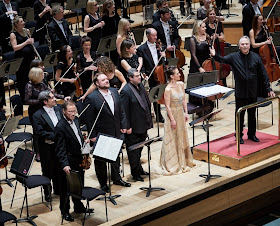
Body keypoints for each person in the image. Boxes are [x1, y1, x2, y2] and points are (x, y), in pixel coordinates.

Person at [210, 36, 275, 144]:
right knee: (240, 115)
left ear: (249, 45)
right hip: (241, 92)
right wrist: (214, 55)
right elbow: (222, 60)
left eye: (246, 44)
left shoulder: (256, 57)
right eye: (242, 44)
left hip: (253, 91)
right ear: (239, 46)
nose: (245, 46)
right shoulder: (234, 57)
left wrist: (269, 88)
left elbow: (264, 73)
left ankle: (251, 134)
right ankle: (239, 135)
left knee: (252, 114)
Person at [85, 73, 131, 192]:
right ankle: (103, 183)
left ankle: (117, 178)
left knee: (115, 156)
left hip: (116, 129)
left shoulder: (114, 91)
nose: (106, 81)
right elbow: (90, 119)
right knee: (101, 160)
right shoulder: (92, 97)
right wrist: (93, 136)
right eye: (103, 80)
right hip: (102, 132)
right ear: (97, 83)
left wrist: (123, 124)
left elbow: (121, 110)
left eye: (106, 79)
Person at [55, 100, 92, 222]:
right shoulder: (60, 127)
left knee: (79, 185)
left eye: (74, 111)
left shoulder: (76, 120)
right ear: (64, 111)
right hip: (69, 161)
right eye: (70, 112)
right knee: (66, 189)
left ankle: (78, 207)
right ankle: (64, 211)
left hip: (78, 158)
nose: (73, 113)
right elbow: (60, 148)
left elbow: (77, 136)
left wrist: (83, 141)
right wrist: (65, 164)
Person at [160, 66, 195, 174]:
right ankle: (173, 163)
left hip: (180, 113)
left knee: (181, 135)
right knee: (172, 136)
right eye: (177, 73)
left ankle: (184, 160)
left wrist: (186, 112)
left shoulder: (180, 84)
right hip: (173, 115)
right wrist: (172, 120)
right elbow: (167, 106)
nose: (179, 74)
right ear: (172, 76)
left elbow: (184, 99)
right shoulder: (168, 89)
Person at [120, 68, 152, 181]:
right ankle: (135, 173)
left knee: (140, 149)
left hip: (142, 124)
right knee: (133, 151)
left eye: (139, 75)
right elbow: (124, 111)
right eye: (137, 76)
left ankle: (139, 169)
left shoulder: (140, 85)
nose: (140, 77)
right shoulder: (126, 91)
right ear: (130, 78)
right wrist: (127, 126)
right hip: (133, 126)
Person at [33, 90, 61, 202]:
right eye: (52, 97)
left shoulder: (58, 109)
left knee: (60, 168)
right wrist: (56, 135)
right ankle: (47, 192)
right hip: (47, 147)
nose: (55, 99)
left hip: (59, 146)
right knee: (47, 170)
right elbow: (39, 132)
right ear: (45, 101)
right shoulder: (37, 115)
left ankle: (59, 189)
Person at [137, 28, 166, 122]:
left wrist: (163, 57)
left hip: (159, 74)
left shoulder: (159, 47)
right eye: (153, 35)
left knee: (157, 94)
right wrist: (144, 74)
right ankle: (148, 116)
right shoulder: (141, 49)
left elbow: (162, 62)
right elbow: (142, 64)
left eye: (156, 35)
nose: (156, 37)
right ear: (148, 36)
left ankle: (159, 115)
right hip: (149, 75)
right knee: (149, 97)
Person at [10, 16, 35, 102]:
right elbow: (15, 47)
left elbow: (30, 44)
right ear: (16, 24)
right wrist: (26, 42)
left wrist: (31, 41)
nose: (23, 22)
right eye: (21, 21)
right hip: (21, 61)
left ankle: (33, 95)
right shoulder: (13, 34)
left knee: (32, 77)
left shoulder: (27, 31)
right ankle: (25, 98)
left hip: (30, 59)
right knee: (23, 79)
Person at [101, 0, 121, 66]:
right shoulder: (104, 18)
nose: (114, 6)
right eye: (113, 5)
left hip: (116, 37)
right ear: (108, 7)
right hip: (108, 39)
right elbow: (104, 31)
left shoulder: (116, 15)